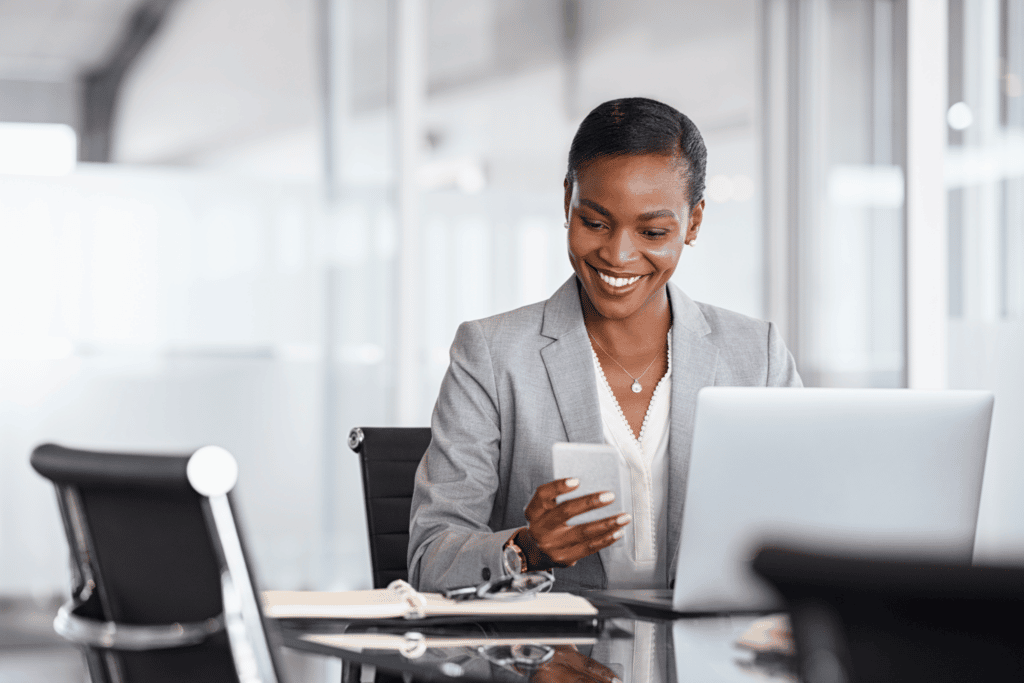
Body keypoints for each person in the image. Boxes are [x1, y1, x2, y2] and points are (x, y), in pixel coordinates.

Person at [408, 97, 801, 593]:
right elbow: (429, 559)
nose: (617, 254)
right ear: (567, 200)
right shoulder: (491, 354)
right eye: (594, 222)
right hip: (558, 661)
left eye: (653, 231)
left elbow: (811, 521)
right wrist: (525, 549)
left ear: (694, 222)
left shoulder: (757, 355)